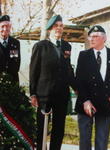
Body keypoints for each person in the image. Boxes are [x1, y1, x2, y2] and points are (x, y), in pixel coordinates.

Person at [29, 14, 76, 150]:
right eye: (56, 26)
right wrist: (33, 94)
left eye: (61, 26)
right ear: (50, 29)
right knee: (42, 129)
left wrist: (77, 87)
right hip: (44, 95)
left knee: (59, 129)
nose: (59, 29)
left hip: (61, 95)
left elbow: (68, 70)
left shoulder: (67, 46)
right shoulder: (41, 46)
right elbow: (34, 71)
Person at [75, 25, 110, 150]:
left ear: (104, 38)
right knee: (85, 141)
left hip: (105, 103)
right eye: (90, 37)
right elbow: (79, 80)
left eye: (95, 36)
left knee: (102, 141)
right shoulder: (83, 55)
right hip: (86, 104)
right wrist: (85, 101)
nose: (91, 39)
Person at [0, 15, 20, 83]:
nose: (5, 29)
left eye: (7, 26)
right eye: (2, 26)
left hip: (12, 81)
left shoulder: (15, 43)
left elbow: (15, 62)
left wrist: (8, 77)